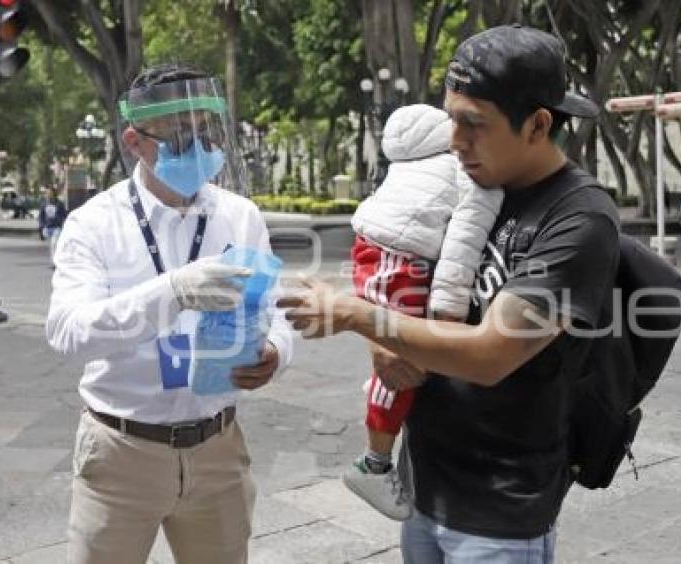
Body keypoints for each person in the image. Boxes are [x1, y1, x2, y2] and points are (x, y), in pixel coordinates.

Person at [281, 25, 619, 563]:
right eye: (451, 118)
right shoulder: (462, 181)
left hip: (500, 511)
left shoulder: (578, 218)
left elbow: (489, 355)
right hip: (425, 488)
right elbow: (402, 288)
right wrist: (383, 342)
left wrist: (355, 315)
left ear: (537, 124)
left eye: (474, 124)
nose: (455, 140)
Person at [46, 64, 293, 564]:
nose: (199, 149)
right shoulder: (93, 225)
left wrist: (276, 351)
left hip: (217, 447)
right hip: (121, 451)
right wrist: (173, 292)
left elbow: (275, 308)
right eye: (181, 136)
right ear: (135, 142)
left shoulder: (238, 215)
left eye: (206, 133)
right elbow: (69, 332)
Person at [345, 103, 503, 520]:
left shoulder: (406, 164)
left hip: (373, 252)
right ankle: (373, 463)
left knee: (397, 353)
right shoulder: (466, 170)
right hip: (405, 262)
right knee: (402, 361)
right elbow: (460, 245)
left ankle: (378, 450)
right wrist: (448, 310)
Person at [38, 187, 67, 266]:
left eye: (50, 193)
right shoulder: (44, 204)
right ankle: (55, 260)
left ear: (54, 194)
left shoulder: (59, 203)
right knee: (51, 246)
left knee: (54, 244)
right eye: (47, 193)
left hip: (56, 227)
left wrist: (62, 223)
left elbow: (65, 214)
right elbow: (41, 216)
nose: (48, 195)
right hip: (47, 228)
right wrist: (41, 227)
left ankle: (54, 262)